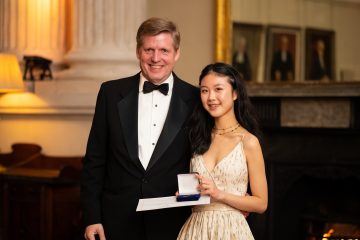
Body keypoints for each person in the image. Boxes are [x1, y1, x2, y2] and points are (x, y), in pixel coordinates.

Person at [81, 17, 198, 240]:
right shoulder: (110, 93)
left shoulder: (194, 99)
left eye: (164, 50)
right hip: (115, 221)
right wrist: (91, 217)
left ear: (176, 53)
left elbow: (204, 159)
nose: (156, 58)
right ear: (138, 52)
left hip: (173, 222)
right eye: (149, 50)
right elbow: (94, 160)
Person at [177, 62, 268, 240]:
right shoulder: (196, 137)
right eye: (204, 90)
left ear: (235, 93)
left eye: (218, 89)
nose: (211, 97)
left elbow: (261, 203)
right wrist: (185, 196)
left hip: (232, 231)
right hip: (195, 230)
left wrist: (219, 194)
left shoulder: (249, 142)